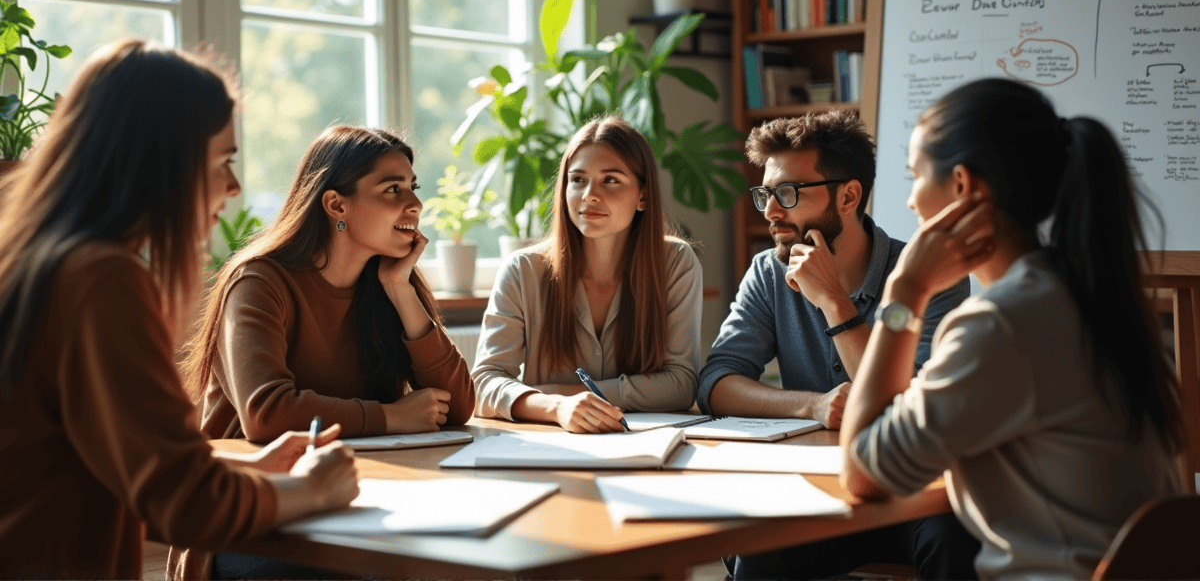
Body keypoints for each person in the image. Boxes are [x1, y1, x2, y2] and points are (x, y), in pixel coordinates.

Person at [0, 39, 359, 579]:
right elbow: (187, 507)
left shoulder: (33, 260)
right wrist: (312, 489)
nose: (234, 187)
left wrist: (245, 470)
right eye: (223, 162)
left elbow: (103, 460)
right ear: (160, 163)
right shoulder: (100, 279)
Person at [841, 78, 1188, 580]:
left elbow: (862, 473)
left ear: (963, 186)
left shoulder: (1000, 324)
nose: (912, 201)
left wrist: (904, 293)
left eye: (915, 174)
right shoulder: (1084, 296)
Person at [172, 125, 476, 577]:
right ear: (336, 204)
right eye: (392, 189)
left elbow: (458, 407)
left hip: (360, 504)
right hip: (257, 520)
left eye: (413, 187)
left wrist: (400, 290)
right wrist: (392, 416)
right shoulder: (259, 282)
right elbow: (266, 413)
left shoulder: (390, 282)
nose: (413, 204)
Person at [697, 110, 979, 579]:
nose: (769, 211)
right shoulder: (769, 272)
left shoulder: (928, 273)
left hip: (917, 496)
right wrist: (811, 405)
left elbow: (910, 409)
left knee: (956, 540)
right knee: (757, 552)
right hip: (823, 490)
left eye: (787, 193)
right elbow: (717, 382)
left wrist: (834, 303)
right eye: (765, 193)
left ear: (848, 196)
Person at [472, 116, 702, 433]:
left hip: (645, 443)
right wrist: (557, 407)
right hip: (552, 442)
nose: (589, 195)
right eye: (578, 180)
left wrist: (570, 394)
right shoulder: (522, 270)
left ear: (643, 196)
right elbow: (484, 382)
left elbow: (680, 384)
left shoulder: (675, 262)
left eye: (610, 180)